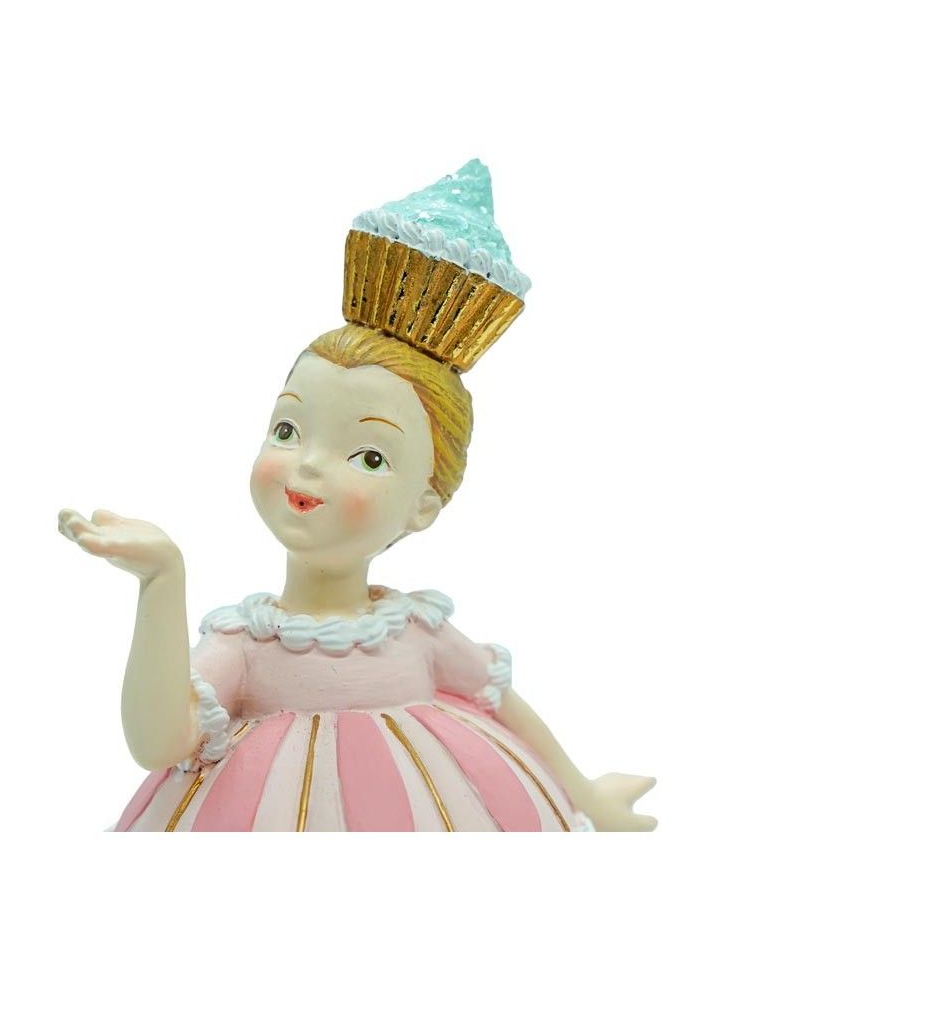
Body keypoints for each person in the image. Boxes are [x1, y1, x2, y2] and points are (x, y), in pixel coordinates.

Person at [59, 160, 657, 831]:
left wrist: (587, 797)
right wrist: (162, 581)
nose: (309, 466)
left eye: (369, 457)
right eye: (288, 429)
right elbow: (159, 744)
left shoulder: (418, 634)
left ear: (425, 502)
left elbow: (504, 703)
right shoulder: (247, 646)